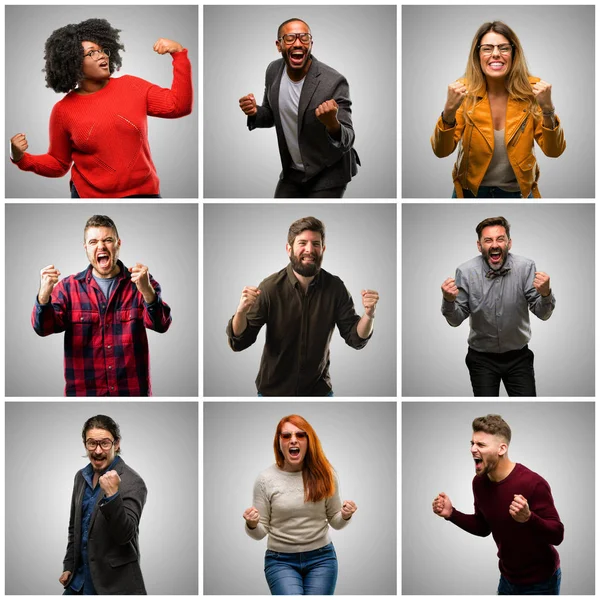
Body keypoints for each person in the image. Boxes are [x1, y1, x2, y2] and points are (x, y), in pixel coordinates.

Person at [9, 18, 193, 198]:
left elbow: (178, 106)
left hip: (144, 194)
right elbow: (58, 164)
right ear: (72, 62)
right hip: (88, 198)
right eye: (91, 53)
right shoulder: (63, 111)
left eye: (102, 50)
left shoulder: (132, 86)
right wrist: (21, 158)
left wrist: (178, 54)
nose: (102, 55)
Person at [226, 216, 379, 396]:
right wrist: (241, 312)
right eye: (302, 243)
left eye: (315, 243)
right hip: (273, 392)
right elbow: (240, 340)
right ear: (289, 249)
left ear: (323, 249)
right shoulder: (270, 288)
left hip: (319, 391)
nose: (309, 249)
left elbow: (355, 337)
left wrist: (369, 315)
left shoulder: (335, 287)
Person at [31, 214, 171, 396]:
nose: (101, 246)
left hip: (133, 394)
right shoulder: (68, 287)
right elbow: (43, 328)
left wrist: (146, 291)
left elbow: (161, 325)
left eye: (108, 240)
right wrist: (44, 295)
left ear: (118, 244)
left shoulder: (141, 282)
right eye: (93, 242)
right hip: (83, 395)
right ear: (85, 248)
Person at [431, 21, 565, 198]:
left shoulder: (533, 91)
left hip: (518, 193)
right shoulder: (464, 91)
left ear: (513, 53)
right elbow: (441, 151)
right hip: (470, 192)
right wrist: (448, 112)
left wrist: (548, 109)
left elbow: (553, 151)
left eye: (503, 48)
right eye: (487, 48)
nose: (495, 54)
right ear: (477, 54)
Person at [432, 414, 563, 595]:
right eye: (472, 443)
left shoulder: (533, 483)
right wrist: (452, 514)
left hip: (541, 581)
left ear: (501, 449)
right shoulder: (479, 483)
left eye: (481, 445)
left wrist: (529, 518)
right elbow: (483, 527)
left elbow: (557, 535)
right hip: (507, 578)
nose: (472, 449)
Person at [238, 18, 359, 198]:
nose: (297, 43)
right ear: (279, 45)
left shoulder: (333, 81)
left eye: (304, 38)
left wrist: (332, 123)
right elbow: (271, 115)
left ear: (311, 43)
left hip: (328, 172)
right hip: (292, 172)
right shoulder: (273, 70)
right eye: (289, 38)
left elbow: (348, 138)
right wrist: (255, 112)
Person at [243, 414, 357, 595]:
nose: (293, 441)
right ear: (278, 443)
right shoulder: (265, 479)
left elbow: (335, 521)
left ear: (308, 441)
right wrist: (251, 523)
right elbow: (260, 532)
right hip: (280, 561)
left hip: (322, 559)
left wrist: (345, 515)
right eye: (286, 436)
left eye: (300, 435)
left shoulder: (325, 474)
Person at [441, 216, 554, 396]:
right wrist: (448, 300)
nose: (494, 245)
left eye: (500, 239)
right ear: (480, 246)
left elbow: (543, 314)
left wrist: (546, 293)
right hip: (481, 359)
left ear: (509, 242)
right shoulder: (465, 271)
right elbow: (455, 320)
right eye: (488, 240)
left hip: (519, 358)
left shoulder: (526, 267)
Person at [60, 415, 147, 595]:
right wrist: (69, 565)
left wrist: (112, 495)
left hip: (113, 585)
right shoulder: (80, 477)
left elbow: (125, 536)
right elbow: (74, 528)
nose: (98, 451)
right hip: (78, 581)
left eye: (105, 443)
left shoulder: (133, 482)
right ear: (85, 444)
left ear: (116, 444)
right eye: (92, 443)